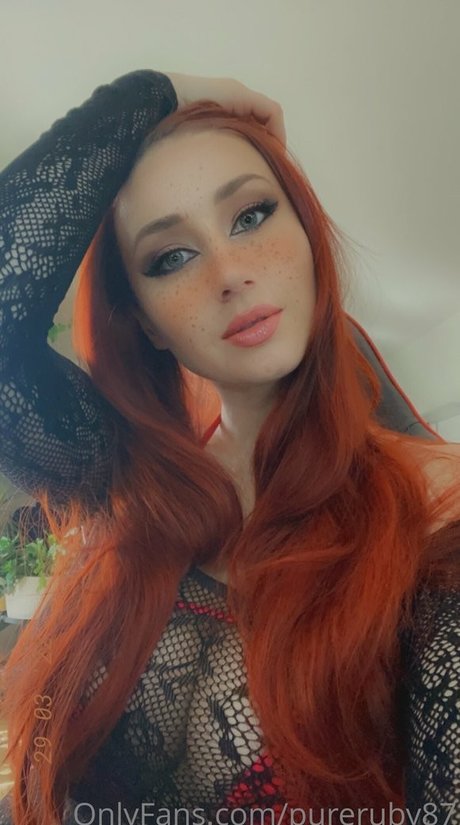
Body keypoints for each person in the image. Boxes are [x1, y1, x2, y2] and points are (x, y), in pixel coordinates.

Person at [0, 69, 459, 825]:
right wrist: (158, 91)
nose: (230, 273)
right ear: (145, 323)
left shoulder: (439, 513)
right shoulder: (124, 479)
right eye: (170, 257)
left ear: (307, 234)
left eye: (250, 215)